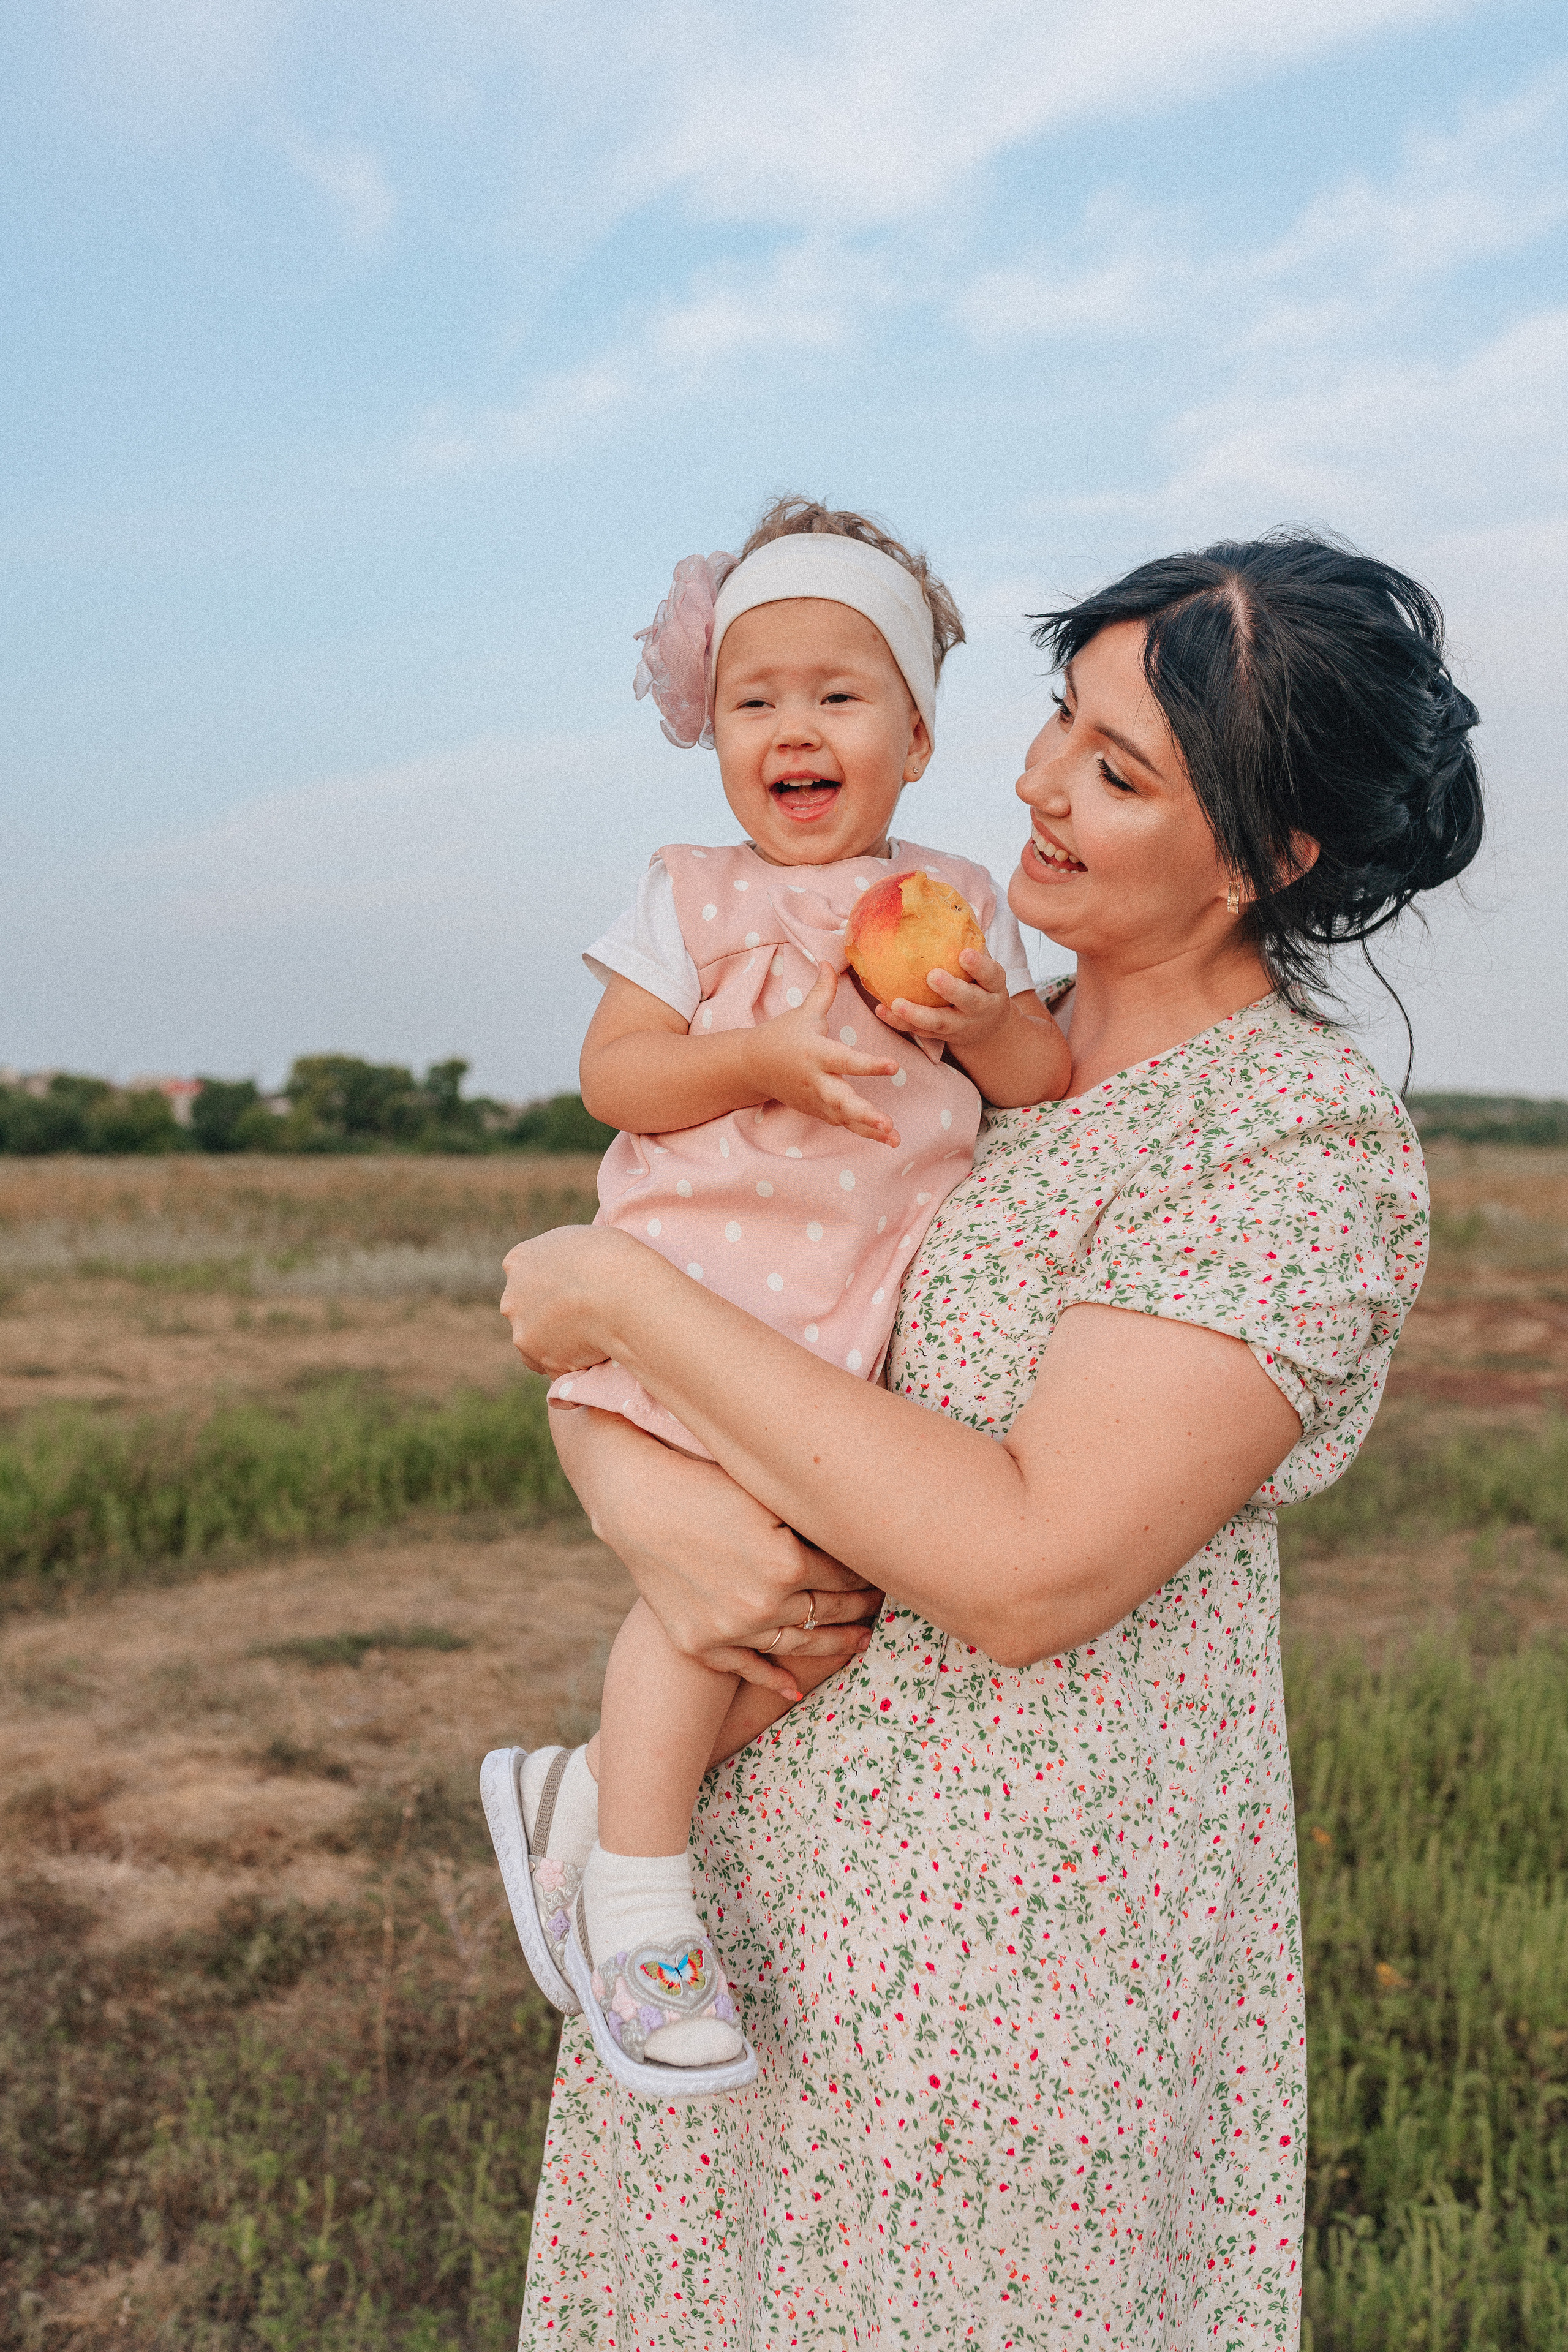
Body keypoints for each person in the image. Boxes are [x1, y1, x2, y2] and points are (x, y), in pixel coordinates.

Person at [500, 532, 1482, 2348]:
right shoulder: (942, 1035)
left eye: (1119, 771)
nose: (1039, 779)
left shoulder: (1288, 1143)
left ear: (1269, 859)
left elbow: (1033, 1568)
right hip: (723, 1929)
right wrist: (649, 1519)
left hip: (1012, 1977)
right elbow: (755, 1314)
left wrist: (622, 1302)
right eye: (1059, 717)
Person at [481, 498, 1071, 2097]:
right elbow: (616, 1074)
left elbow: (1040, 1069)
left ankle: (589, 1805)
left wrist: (973, 1020)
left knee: (805, 1628)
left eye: (838, 693)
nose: (792, 729)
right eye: (756, 700)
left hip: (843, 1362)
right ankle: (643, 1906)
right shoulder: (693, 894)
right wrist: (752, 1054)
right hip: (688, 1321)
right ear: (713, 734)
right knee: (701, 1611)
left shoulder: (953, 900)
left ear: (919, 735)